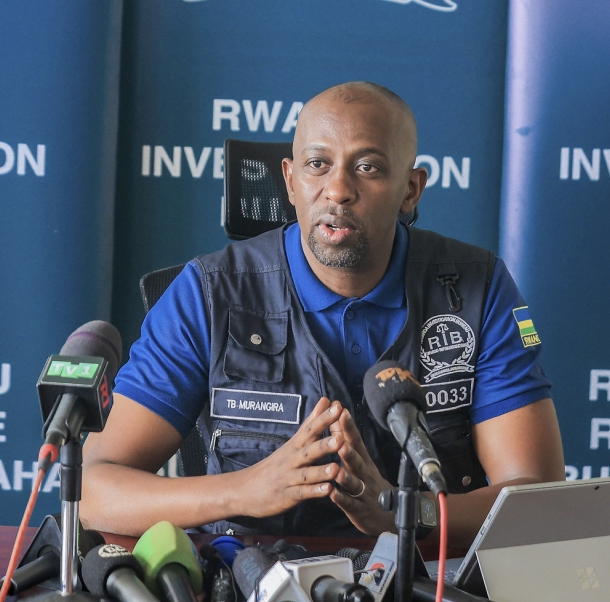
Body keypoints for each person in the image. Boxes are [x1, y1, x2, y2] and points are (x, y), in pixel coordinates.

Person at [81, 82, 565, 547]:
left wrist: (402, 512)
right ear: (290, 181)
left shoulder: (476, 289)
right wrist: (245, 489)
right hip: (254, 577)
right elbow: (94, 488)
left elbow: (536, 498)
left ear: (411, 190)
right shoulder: (209, 292)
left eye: (369, 168)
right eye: (318, 164)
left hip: (419, 577)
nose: (337, 190)